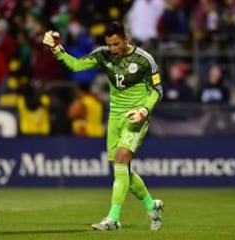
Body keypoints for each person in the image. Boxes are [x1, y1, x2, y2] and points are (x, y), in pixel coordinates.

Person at [43, 21, 164, 231]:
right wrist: (57, 49)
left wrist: (144, 110)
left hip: (136, 116)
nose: (113, 49)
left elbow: (157, 90)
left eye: (116, 44)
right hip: (115, 117)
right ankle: (152, 206)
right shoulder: (103, 54)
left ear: (126, 40)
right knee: (122, 168)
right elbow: (77, 66)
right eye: (109, 45)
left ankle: (114, 218)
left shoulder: (145, 60)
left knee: (121, 159)